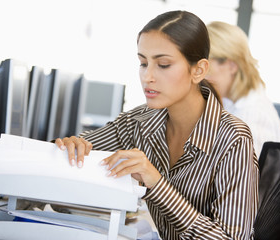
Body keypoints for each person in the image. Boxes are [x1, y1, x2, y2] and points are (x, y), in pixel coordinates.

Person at [55, 11, 259, 240]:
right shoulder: (140, 120)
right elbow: (81, 147)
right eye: (143, 63)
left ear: (199, 70)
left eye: (163, 65)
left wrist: (156, 182)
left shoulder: (233, 138)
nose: (147, 76)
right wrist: (69, 146)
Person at [206, 21, 280, 157]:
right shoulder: (230, 102)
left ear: (232, 66)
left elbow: (237, 176)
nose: (199, 76)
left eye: (207, 67)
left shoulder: (250, 115)